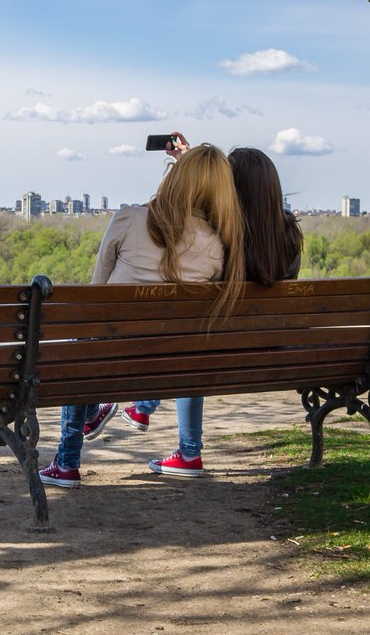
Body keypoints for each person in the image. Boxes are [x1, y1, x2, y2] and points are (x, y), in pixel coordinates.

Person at [84, 145, 304, 478]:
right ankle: (150, 414)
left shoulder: (223, 236)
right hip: (269, 354)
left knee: (192, 340)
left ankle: (171, 434)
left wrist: (186, 165)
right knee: (193, 340)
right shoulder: (288, 234)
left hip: (207, 353)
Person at [37, 142, 246, 488]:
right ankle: (93, 414)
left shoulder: (130, 218)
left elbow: (95, 292)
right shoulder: (217, 248)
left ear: (175, 178)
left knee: (79, 344)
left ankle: (67, 462)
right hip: (168, 364)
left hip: (109, 357)